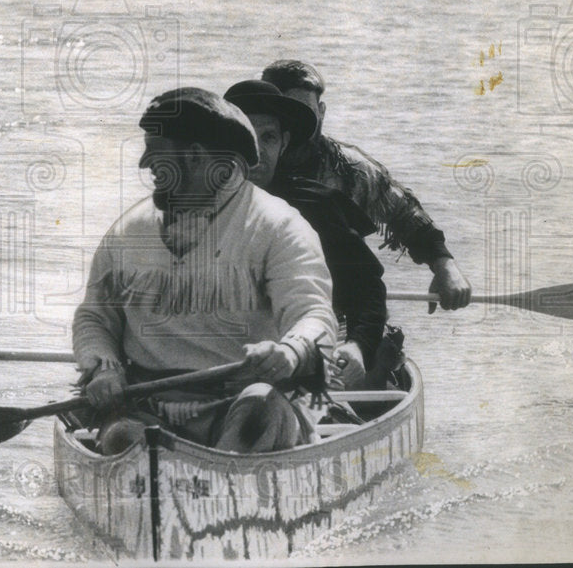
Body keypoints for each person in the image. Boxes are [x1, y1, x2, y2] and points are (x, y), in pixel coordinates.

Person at [72, 88, 337, 455]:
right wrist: (103, 367)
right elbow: (94, 318)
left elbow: (314, 315)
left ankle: (222, 476)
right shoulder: (128, 231)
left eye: (157, 153)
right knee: (124, 439)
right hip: (149, 404)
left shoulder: (279, 227)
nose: (145, 164)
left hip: (244, 400)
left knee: (260, 410)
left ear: (196, 156)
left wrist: (291, 351)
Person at [261, 60, 472, 313]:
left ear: (321, 112)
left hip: (337, 308)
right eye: (285, 114)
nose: (295, 125)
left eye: (304, 112)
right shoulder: (242, 165)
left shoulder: (352, 169)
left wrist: (445, 265)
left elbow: (405, 214)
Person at [224, 80, 388, 390]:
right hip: (226, 361)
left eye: (268, 138)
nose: (256, 152)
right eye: (246, 137)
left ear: (284, 143)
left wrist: (357, 346)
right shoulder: (193, 211)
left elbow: (366, 291)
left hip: (302, 358)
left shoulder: (318, 207)